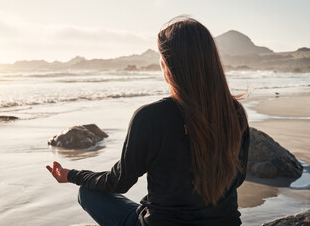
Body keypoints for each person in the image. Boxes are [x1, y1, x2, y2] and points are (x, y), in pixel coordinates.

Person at [46, 15, 250, 226]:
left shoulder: (151, 118)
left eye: (161, 57)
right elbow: (238, 179)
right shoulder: (234, 112)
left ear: (169, 64)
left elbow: (118, 182)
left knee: (87, 194)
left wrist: (71, 175)